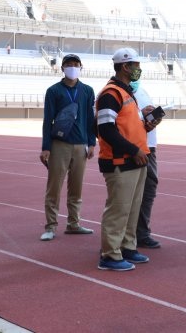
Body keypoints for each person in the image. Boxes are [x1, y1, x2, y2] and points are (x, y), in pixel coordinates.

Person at [95, 48, 158, 271]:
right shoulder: (111, 94)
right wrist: (134, 150)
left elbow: (127, 126)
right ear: (125, 67)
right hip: (121, 160)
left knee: (132, 208)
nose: (139, 70)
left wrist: (147, 125)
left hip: (135, 159)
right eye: (136, 65)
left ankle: (127, 247)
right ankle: (110, 255)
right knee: (118, 209)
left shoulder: (126, 92)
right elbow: (106, 130)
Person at [39, 54, 96, 241]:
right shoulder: (53, 91)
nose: (72, 67)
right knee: (54, 187)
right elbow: (48, 120)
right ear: (62, 68)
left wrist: (92, 142)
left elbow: (90, 119)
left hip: (80, 146)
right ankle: (50, 226)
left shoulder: (87, 90)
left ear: (81, 67)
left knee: (76, 188)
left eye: (76, 65)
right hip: (59, 145)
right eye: (68, 65)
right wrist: (46, 146)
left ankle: (73, 223)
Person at [131, 80, 163, 249]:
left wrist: (152, 119)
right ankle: (118, 240)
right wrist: (141, 115)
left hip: (149, 146)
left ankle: (141, 233)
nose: (136, 72)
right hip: (130, 149)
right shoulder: (113, 93)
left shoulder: (142, 91)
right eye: (133, 67)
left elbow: (143, 120)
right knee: (126, 195)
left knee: (149, 189)